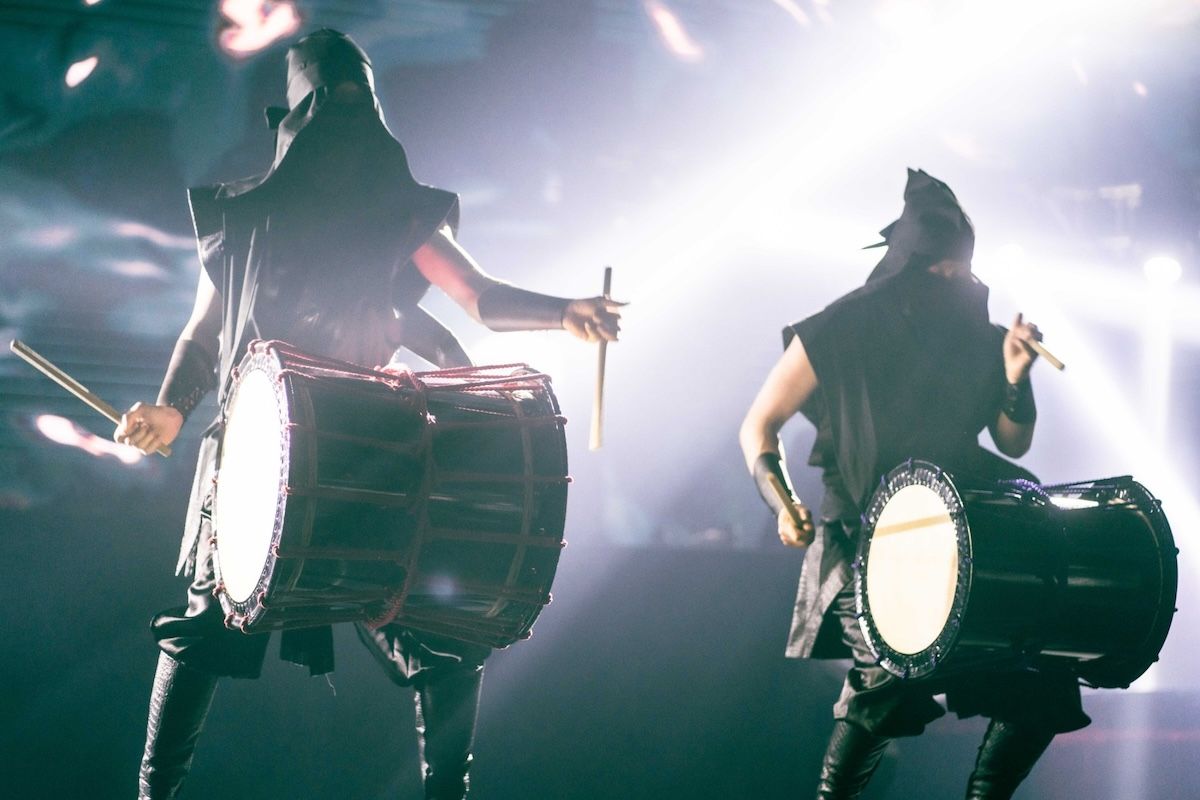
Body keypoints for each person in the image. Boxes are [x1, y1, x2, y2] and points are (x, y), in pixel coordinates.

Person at [114, 29, 621, 800]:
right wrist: (172, 408)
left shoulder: (401, 214)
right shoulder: (242, 216)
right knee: (204, 628)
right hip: (255, 448)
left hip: (372, 445)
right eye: (332, 100)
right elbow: (205, 329)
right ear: (297, 114)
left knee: (440, 631)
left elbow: (478, 295)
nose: (347, 116)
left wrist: (564, 311)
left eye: (360, 101)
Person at [738, 169, 1089, 799]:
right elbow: (759, 424)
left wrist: (1016, 376)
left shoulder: (981, 339)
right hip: (865, 533)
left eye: (961, 270)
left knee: (1039, 672)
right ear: (908, 264)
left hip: (963, 532)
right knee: (888, 678)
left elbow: (1012, 443)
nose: (953, 281)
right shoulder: (839, 328)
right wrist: (782, 501)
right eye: (940, 270)